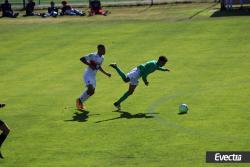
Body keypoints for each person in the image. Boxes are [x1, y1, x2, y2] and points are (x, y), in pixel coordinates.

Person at [76, 44, 111, 110]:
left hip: (93, 76)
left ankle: (80, 101)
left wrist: (106, 73)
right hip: (88, 74)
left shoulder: (102, 57)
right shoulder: (93, 55)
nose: (105, 50)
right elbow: (82, 59)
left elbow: (98, 67)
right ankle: (80, 102)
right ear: (99, 50)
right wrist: (89, 64)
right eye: (103, 49)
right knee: (90, 88)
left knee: (92, 92)